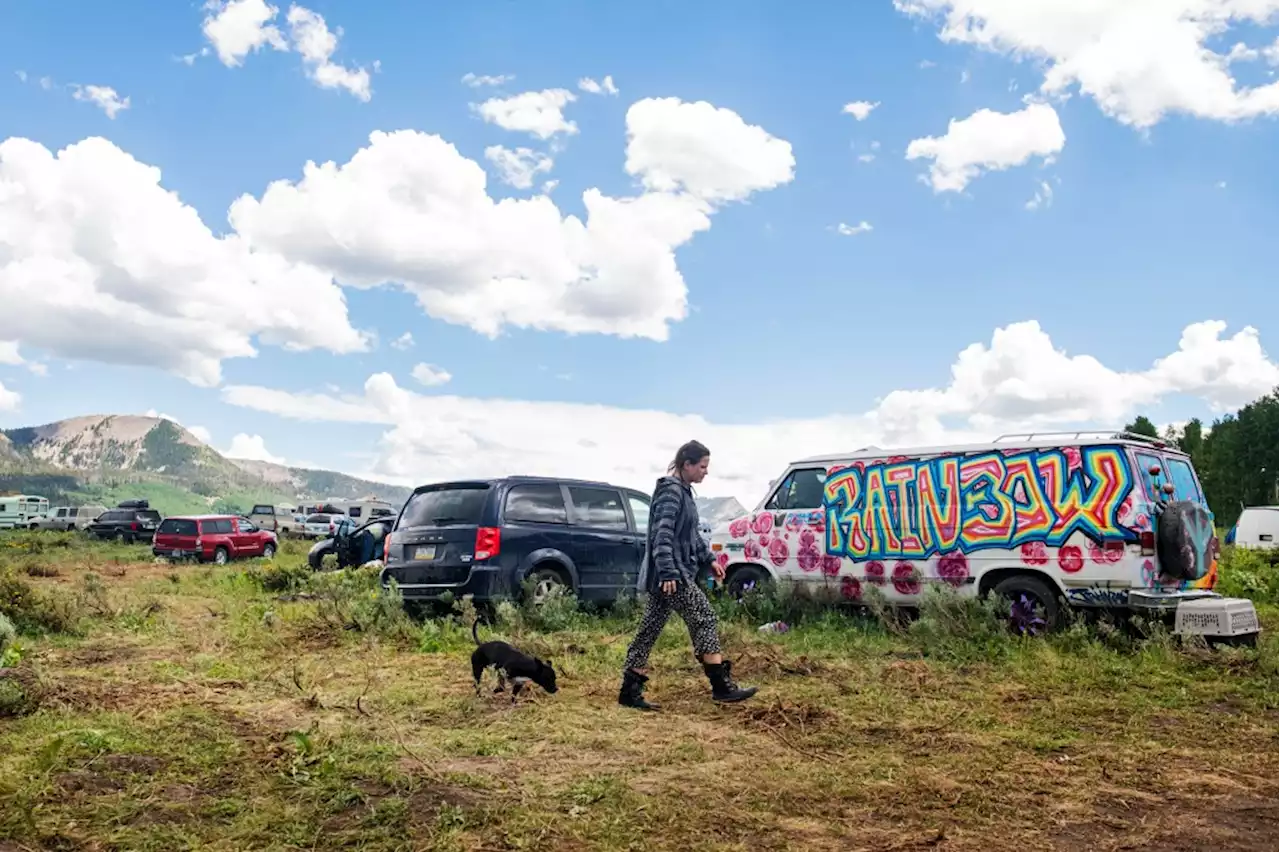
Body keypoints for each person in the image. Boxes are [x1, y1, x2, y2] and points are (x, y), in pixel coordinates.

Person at [618, 440, 758, 711]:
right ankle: (721, 687)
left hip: (670, 574)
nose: (706, 471)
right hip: (673, 576)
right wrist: (668, 571)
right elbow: (662, 534)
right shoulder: (671, 493)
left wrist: (710, 560)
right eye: (703, 466)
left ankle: (629, 691)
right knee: (704, 618)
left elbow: (691, 535)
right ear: (687, 465)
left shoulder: (684, 492)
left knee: (649, 630)